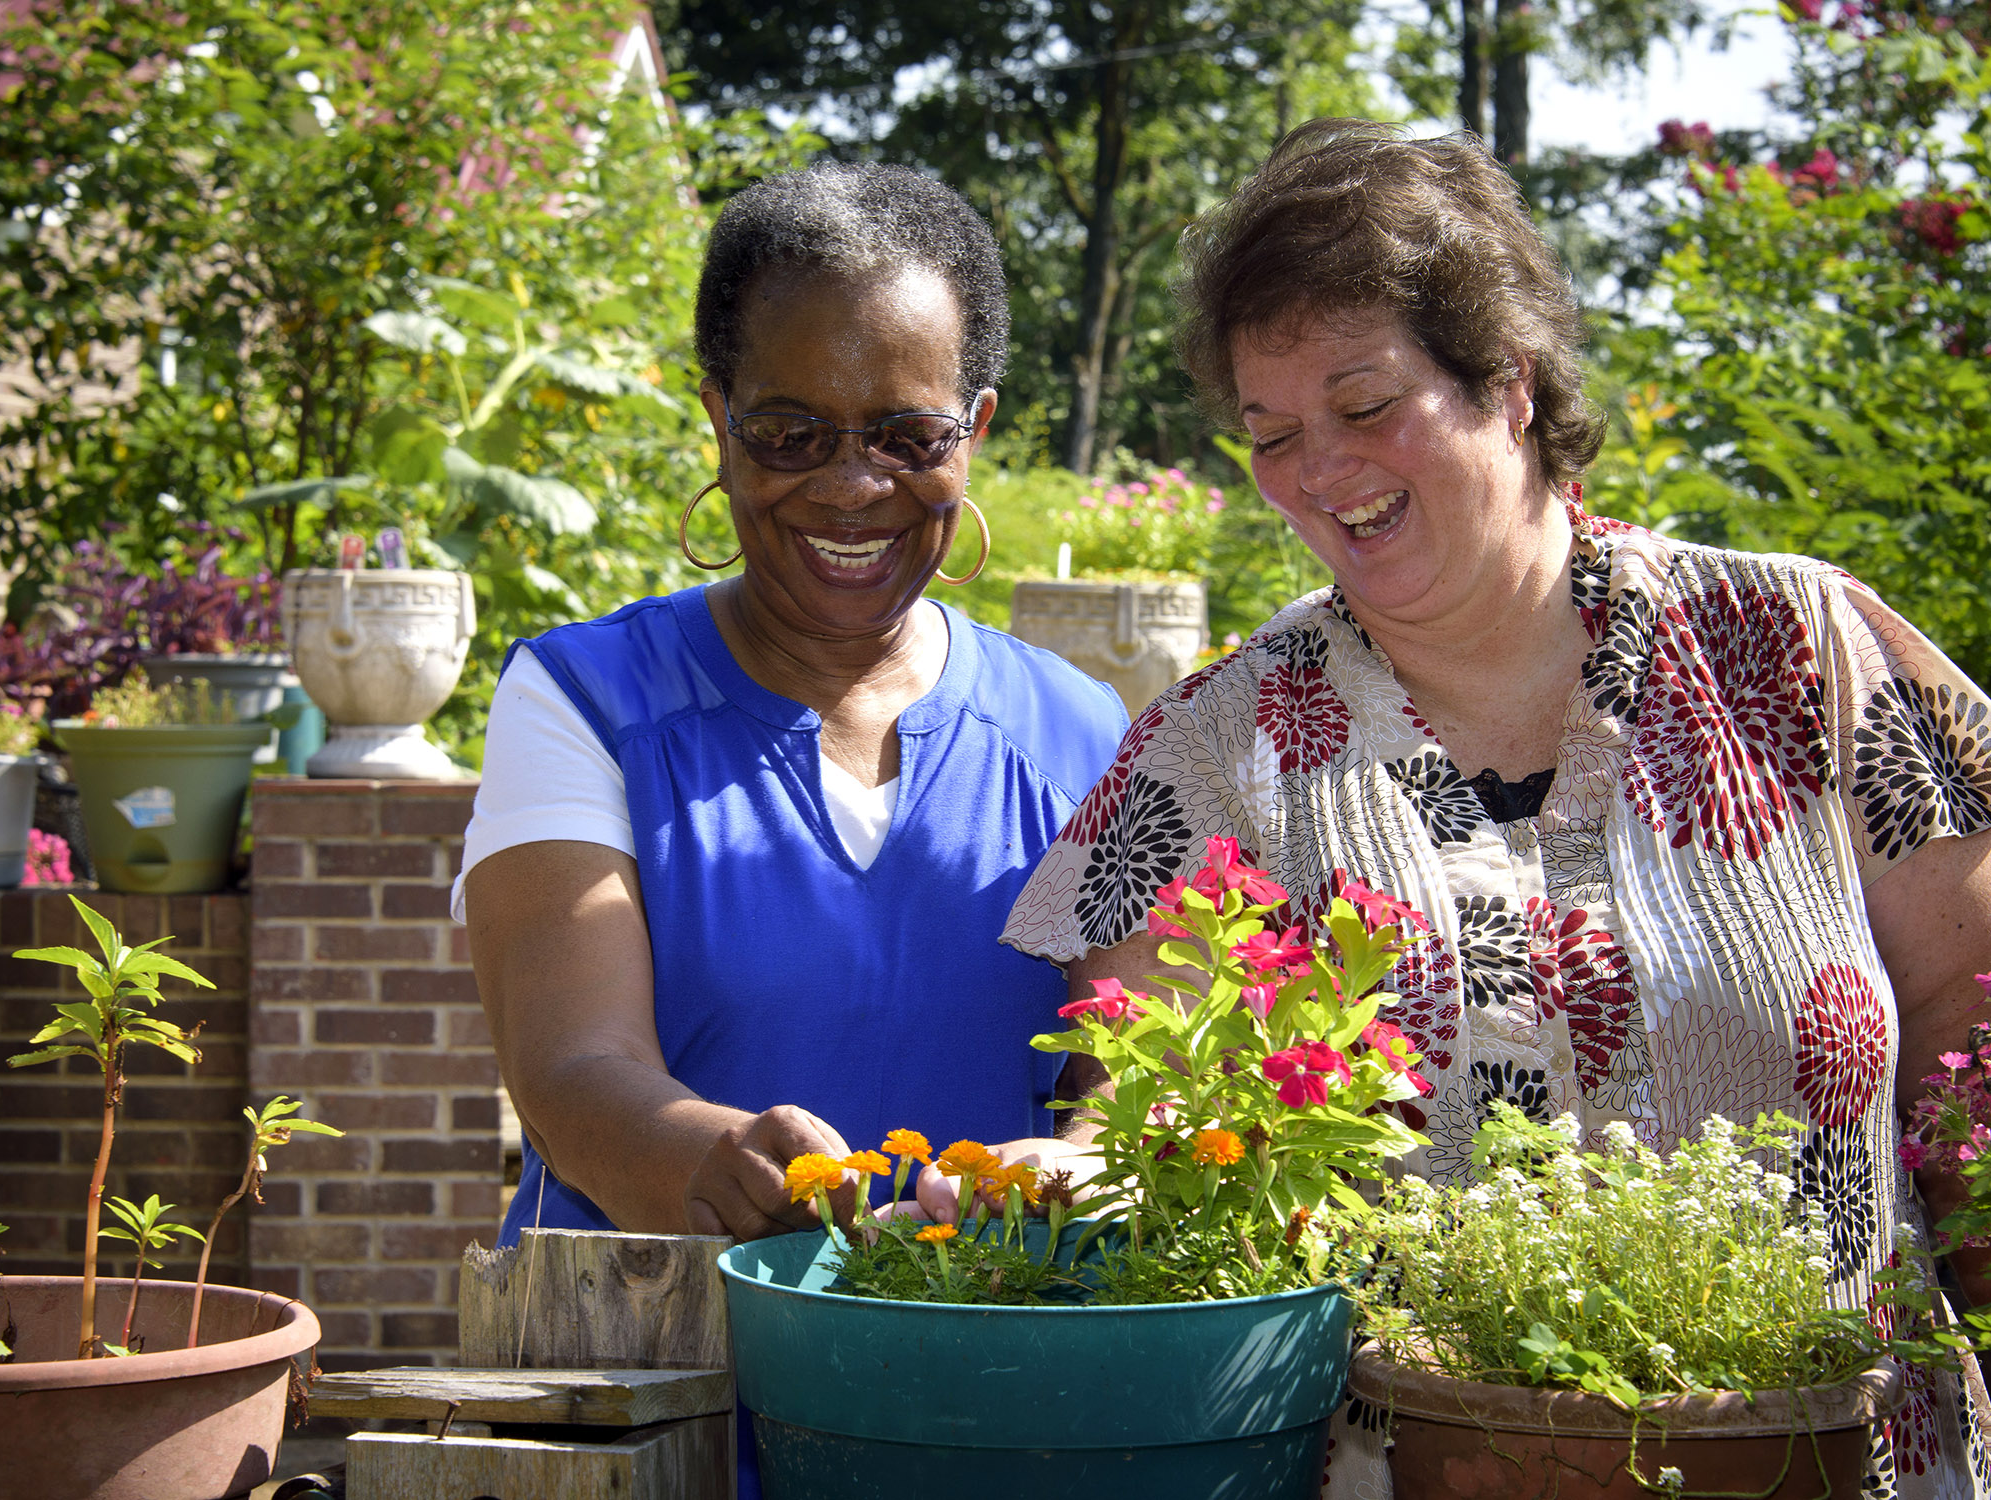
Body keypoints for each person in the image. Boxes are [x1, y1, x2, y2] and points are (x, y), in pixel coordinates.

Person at [997, 119, 1991, 1496]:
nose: (1315, 470)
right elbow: (1148, 1101)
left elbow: (1970, 1047)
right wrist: (1070, 1175)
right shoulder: (1217, 751)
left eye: (1363, 404)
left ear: (1509, 383)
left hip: (1843, 1464)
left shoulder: (1795, 646)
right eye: (1269, 433)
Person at [456, 161, 1129, 1259]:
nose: (852, 485)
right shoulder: (583, 702)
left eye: (909, 436)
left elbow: (1132, 1080)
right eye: (789, 432)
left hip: (985, 1391)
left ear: (976, 430)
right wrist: (705, 1159)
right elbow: (569, 1070)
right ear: (718, 418)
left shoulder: (1082, 732)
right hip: (656, 1396)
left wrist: (1085, 1159)